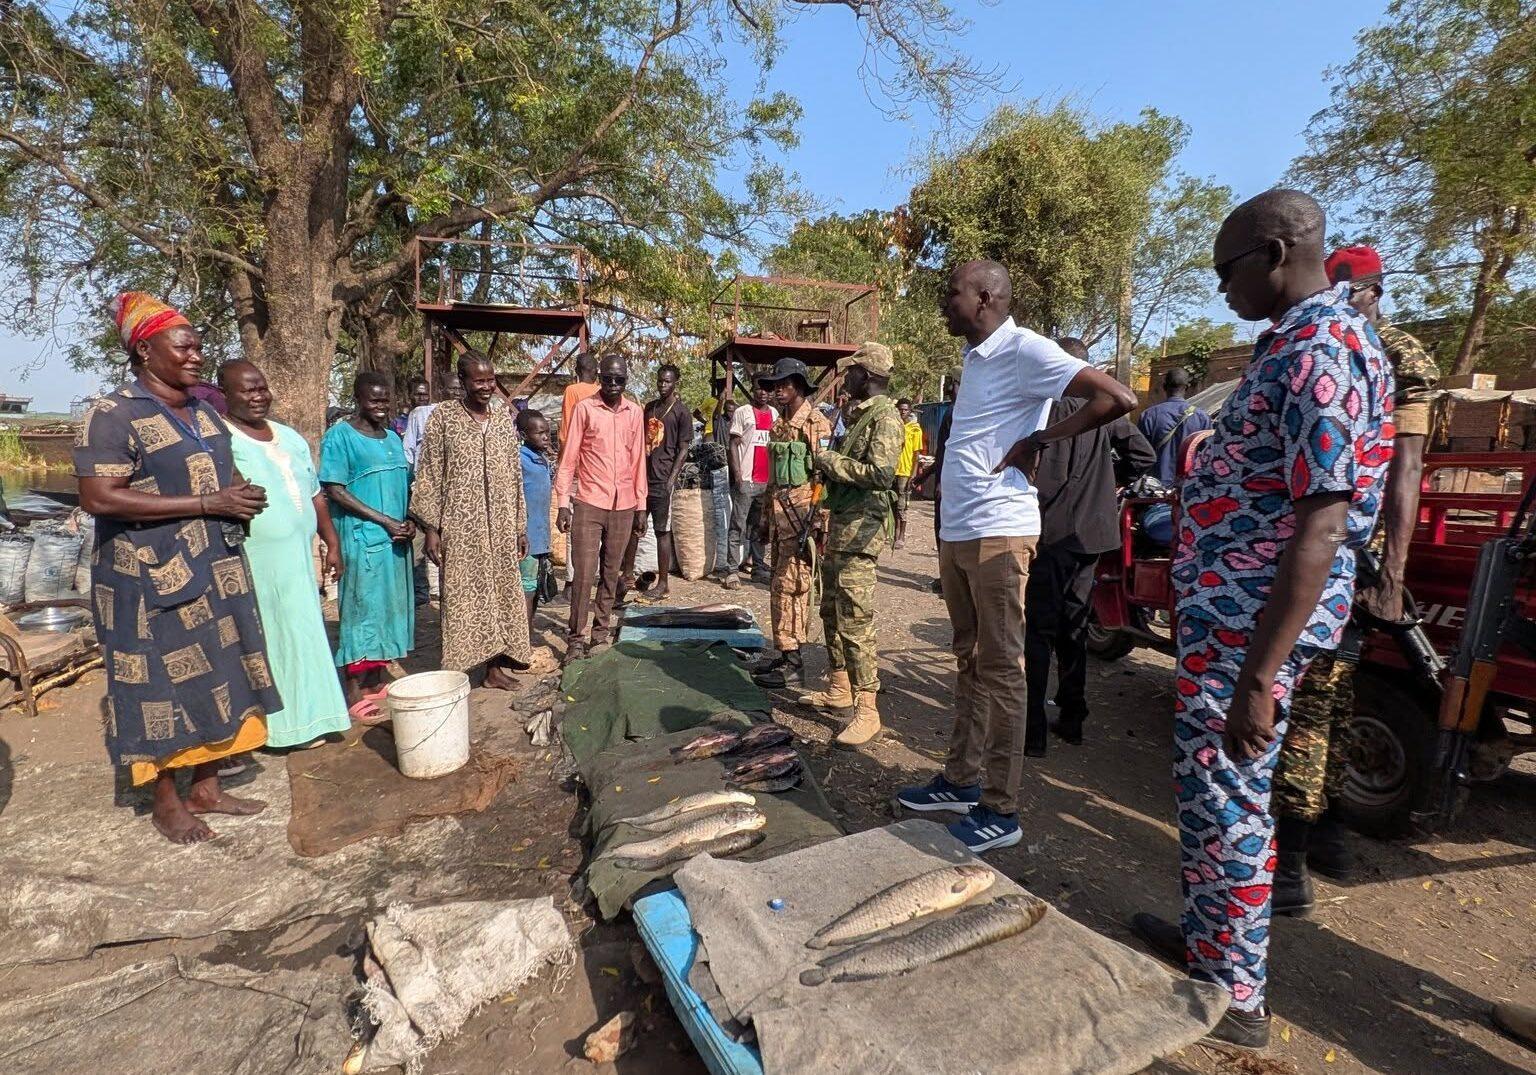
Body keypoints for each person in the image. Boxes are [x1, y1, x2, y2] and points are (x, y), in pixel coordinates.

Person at [1127, 190, 1393, 1052]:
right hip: (1233, 617)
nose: (1220, 289)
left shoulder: (1319, 349)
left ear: (1276, 253)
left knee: (1234, 797)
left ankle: (1236, 996)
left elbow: (1323, 522)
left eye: (1226, 270)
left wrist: (1257, 677)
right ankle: (1212, 948)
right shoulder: (1301, 342)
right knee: (1211, 797)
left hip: (1254, 631)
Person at [895, 261, 1135, 855]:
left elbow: (1117, 397)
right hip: (960, 531)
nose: (944, 303)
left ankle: (1000, 809)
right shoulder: (975, 360)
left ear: (985, 298)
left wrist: (1041, 440)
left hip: (1001, 534)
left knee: (1003, 669)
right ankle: (959, 779)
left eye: (952, 294)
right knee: (970, 660)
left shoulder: (1027, 350)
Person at [1269, 244, 1441, 914]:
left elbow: (1407, 469)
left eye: (1351, 289)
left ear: (1373, 288)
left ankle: (1293, 865)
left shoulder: (1387, 352)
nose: (1342, 299)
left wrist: (1392, 570)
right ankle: (1328, 839)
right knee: (1335, 697)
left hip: (1340, 559)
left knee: (1312, 705)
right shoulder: (1354, 340)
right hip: (1340, 557)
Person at [76, 292, 280, 844]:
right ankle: (165, 800)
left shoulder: (203, 410)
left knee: (219, 672)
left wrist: (238, 494)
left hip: (214, 566)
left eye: (198, 346)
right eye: (183, 346)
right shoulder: (114, 414)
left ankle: (206, 785)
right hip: (146, 577)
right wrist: (207, 504)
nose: (195, 356)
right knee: (157, 686)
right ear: (145, 350)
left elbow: (213, 475)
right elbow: (99, 496)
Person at [1025, 338, 1154, 752]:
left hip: (1051, 531)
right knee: (1075, 624)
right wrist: (1109, 481)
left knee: (1039, 630)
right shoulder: (1106, 414)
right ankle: (1072, 717)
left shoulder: (1045, 409)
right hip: (1091, 536)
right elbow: (1144, 456)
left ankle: (1033, 732)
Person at [220, 360, 350, 750]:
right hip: (257, 558)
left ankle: (319, 714)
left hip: (297, 555)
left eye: (261, 388)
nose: (258, 397)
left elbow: (314, 494)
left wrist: (332, 540)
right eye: (246, 390)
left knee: (306, 630)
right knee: (274, 637)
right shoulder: (221, 439)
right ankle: (283, 728)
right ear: (225, 394)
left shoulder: (288, 437)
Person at [796, 343, 904, 747]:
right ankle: (839, 686)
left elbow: (880, 473)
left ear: (868, 375)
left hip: (862, 532)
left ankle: (867, 709)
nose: (847, 378)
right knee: (831, 611)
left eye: (852, 372)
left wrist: (828, 462)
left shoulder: (886, 418)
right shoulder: (859, 415)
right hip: (842, 526)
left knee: (856, 620)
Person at [410, 355, 532, 689]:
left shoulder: (503, 419)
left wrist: (520, 525)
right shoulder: (443, 418)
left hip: (502, 523)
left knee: (500, 593)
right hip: (461, 526)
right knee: (462, 596)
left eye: (490, 380)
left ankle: (494, 670)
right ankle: (457, 673)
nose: (487, 387)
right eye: (479, 381)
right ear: (463, 381)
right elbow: (430, 473)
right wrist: (431, 528)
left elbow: (514, 475)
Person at [320, 371, 416, 712]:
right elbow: (334, 489)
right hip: (363, 538)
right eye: (374, 400)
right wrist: (385, 520)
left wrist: (408, 521)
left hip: (394, 540)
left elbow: (404, 485)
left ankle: (376, 676)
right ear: (358, 399)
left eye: (385, 400)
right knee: (360, 608)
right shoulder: (340, 436)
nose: (380, 406)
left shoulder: (391, 438)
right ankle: (352, 688)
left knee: (388, 607)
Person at [555, 354, 647, 663]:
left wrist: (641, 506)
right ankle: (576, 638)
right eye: (607, 378)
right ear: (599, 378)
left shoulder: (635, 413)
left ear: (626, 381)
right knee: (583, 573)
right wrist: (563, 503)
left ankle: (600, 632)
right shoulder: (584, 409)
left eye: (619, 380)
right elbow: (568, 460)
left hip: (624, 504)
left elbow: (638, 462)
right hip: (589, 502)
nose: (612, 385)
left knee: (611, 572)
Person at [750, 358, 834, 690]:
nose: (777, 391)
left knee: (796, 589)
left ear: (798, 385)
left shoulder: (816, 424)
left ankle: (796, 663)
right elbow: (774, 481)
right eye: (774, 386)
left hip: (803, 523)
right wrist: (765, 521)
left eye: (783, 385)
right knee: (779, 588)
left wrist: (818, 522)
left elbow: (824, 478)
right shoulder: (779, 426)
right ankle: (785, 651)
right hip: (781, 520)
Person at [628, 362, 692, 601]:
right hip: (644, 477)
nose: (662, 385)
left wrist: (671, 479)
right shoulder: (650, 408)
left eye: (667, 381)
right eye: (660, 381)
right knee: (636, 526)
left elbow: (684, 448)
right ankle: (626, 576)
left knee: (662, 531)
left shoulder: (681, 411)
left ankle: (663, 583)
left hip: (663, 479)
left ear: (675, 383)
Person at [726, 383, 778, 587]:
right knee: (738, 524)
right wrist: (737, 474)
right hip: (747, 479)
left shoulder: (774, 414)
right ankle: (731, 571)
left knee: (760, 526)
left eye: (767, 388)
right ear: (753, 390)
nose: (763, 392)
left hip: (766, 481)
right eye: (760, 388)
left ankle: (757, 567)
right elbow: (733, 443)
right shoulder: (742, 412)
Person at [912, 374, 959, 593]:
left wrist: (941, 482)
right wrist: (924, 476)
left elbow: (949, 453)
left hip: (949, 485)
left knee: (945, 532)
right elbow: (941, 453)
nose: (950, 389)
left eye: (952, 384)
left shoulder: (955, 413)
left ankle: (948, 581)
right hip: (947, 481)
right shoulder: (954, 411)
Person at [1137, 368, 1212, 486]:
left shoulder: (1148, 415)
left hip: (1155, 488)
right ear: (1187, 387)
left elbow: (1140, 454)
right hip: (1188, 487)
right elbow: (1206, 456)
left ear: (1164, 387)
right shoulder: (1202, 417)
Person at [517, 408, 555, 626]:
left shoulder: (541, 459)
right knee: (527, 587)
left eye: (547, 432)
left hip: (540, 536)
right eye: (539, 433)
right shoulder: (519, 460)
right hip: (526, 537)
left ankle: (526, 630)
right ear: (523, 435)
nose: (544, 437)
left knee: (535, 585)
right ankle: (523, 636)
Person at [892, 398, 924, 550]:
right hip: (892, 470)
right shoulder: (893, 426)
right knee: (891, 502)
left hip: (905, 471)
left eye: (905, 409)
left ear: (910, 411)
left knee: (902, 505)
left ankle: (901, 536)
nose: (902, 412)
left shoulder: (914, 429)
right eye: (900, 409)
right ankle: (893, 533)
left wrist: (914, 473)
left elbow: (916, 454)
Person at [560, 351, 600, 451]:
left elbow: (567, 424)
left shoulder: (572, 390)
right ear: (596, 371)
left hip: (579, 448)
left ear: (577, 371)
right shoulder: (602, 391)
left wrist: (564, 450)